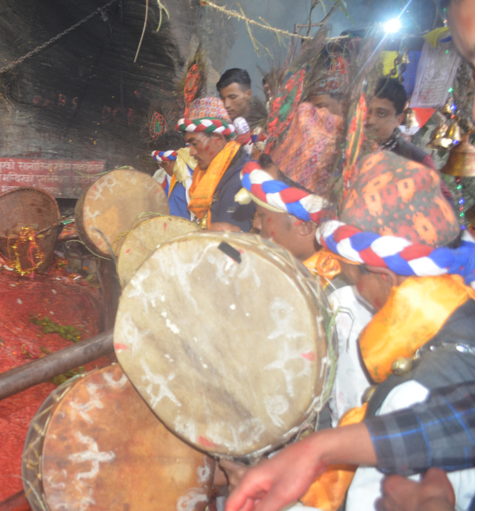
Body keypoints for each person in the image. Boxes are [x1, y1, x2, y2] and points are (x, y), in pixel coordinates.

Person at [225, 151, 475, 511]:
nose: (357, 291)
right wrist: (319, 451)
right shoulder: (459, 328)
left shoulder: (413, 391)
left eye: (356, 279)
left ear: (385, 277)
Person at [238, 102, 372, 426]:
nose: (255, 225)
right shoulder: (294, 267)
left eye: (263, 215)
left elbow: (348, 417)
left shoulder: (343, 301)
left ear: (304, 226)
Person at [177, 97, 254, 232]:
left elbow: (231, 242)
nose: (192, 152)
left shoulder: (240, 180)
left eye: (195, 144)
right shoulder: (218, 173)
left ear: (217, 139)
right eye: (189, 145)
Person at [365, 77, 436, 169]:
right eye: (367, 111)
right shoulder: (351, 145)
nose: (370, 120)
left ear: (398, 120)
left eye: (381, 113)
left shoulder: (418, 161)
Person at [151, 148, 196, 219]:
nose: (164, 169)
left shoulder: (178, 192)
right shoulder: (199, 177)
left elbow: (173, 222)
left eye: (162, 166)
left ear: (166, 163)